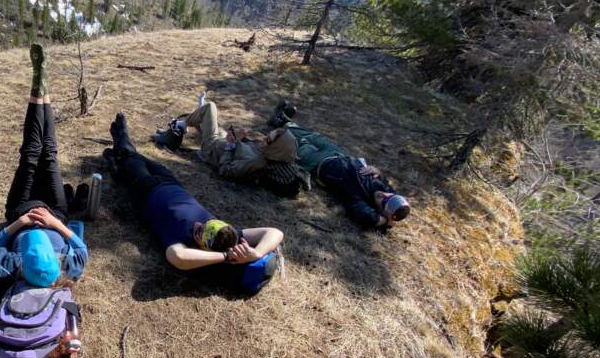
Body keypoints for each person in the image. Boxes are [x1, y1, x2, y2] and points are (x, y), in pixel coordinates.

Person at [106, 112, 284, 292]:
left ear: (205, 248)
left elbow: (177, 256)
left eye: (199, 231)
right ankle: (116, 160)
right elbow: (275, 232)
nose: (198, 224)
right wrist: (257, 253)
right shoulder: (229, 235)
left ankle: (120, 140)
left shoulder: (186, 245)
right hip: (171, 182)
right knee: (134, 158)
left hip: (145, 191)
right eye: (206, 224)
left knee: (128, 156)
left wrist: (224, 257)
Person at [0, 44, 89, 287]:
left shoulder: (14, 266)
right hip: (55, 210)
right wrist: (55, 224)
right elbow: (82, 248)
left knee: (31, 155)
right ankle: (44, 87)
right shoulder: (68, 268)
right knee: (49, 154)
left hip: (20, 208)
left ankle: (37, 85)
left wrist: (21, 222)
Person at [268, 100, 411, 229]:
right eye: (390, 195)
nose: (384, 194)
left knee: (300, 143)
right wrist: (376, 170)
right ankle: (285, 121)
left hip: (319, 163)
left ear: (380, 210)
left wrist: (385, 222)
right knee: (313, 136)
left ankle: (281, 122)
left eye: (384, 200)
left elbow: (365, 216)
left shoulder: (360, 201)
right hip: (338, 154)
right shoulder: (386, 191)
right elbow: (385, 184)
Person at [153, 93, 304, 196]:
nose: (264, 138)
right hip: (223, 140)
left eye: (268, 139)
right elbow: (242, 151)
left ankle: (179, 128)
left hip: (211, 148)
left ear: (276, 149)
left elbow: (225, 170)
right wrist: (239, 138)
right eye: (267, 136)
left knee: (210, 107)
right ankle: (187, 121)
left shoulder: (256, 162)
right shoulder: (265, 152)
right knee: (207, 117)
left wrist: (230, 145)